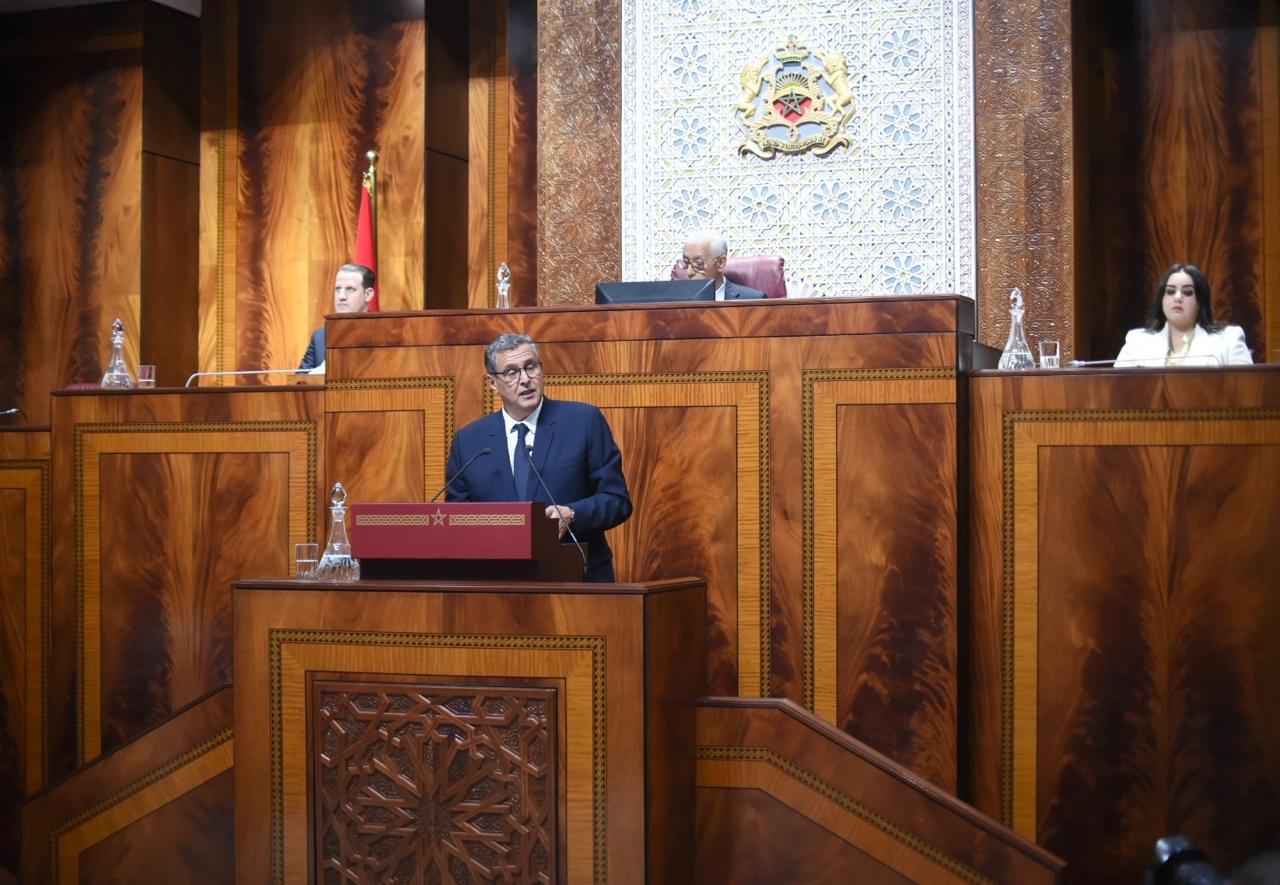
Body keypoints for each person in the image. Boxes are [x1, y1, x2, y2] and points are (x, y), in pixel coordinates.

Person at [443, 333, 633, 581]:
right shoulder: (469, 442)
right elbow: (456, 520)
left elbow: (617, 501)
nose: (525, 379)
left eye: (531, 367)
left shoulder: (583, 422)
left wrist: (573, 514)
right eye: (511, 372)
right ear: (492, 383)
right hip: (498, 585)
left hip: (577, 580)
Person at [1115, 263, 1252, 367]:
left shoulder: (1228, 340)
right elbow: (1116, 389)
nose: (1177, 297)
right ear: (1161, 300)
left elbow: (1246, 390)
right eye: (1170, 292)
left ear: (1200, 301)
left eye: (1187, 292)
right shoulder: (1137, 341)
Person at [297, 263, 376, 371]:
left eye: (350, 289)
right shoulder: (320, 337)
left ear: (368, 294)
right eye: (338, 289)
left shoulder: (385, 335)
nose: (341, 296)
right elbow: (301, 380)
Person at [680, 231, 766, 300]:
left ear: (721, 263)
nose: (689, 272)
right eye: (686, 262)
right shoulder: (676, 301)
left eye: (698, 264)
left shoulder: (753, 301)